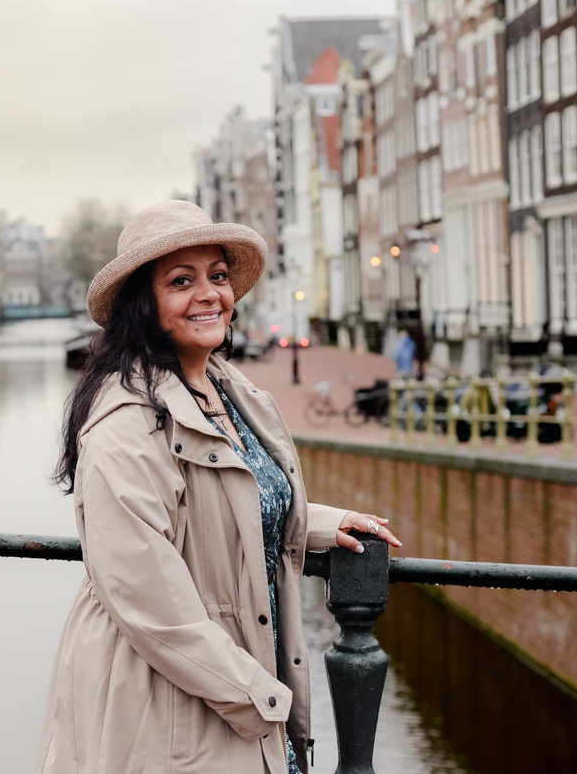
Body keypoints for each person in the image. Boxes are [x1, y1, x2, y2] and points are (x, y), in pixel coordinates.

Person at [37, 201, 401, 773]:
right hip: (171, 703)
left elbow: (230, 494)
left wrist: (318, 522)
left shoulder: (227, 390)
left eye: (218, 275)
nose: (209, 294)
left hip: (235, 683)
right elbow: (147, 596)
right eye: (181, 281)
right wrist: (260, 697)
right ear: (143, 305)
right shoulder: (126, 423)